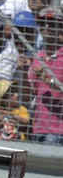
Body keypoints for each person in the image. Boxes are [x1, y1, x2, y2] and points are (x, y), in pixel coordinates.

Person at [28, 8, 63, 144]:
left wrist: (45, 77)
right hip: (38, 128)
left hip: (58, 130)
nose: (46, 27)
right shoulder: (38, 56)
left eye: (51, 24)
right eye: (43, 23)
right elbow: (32, 92)